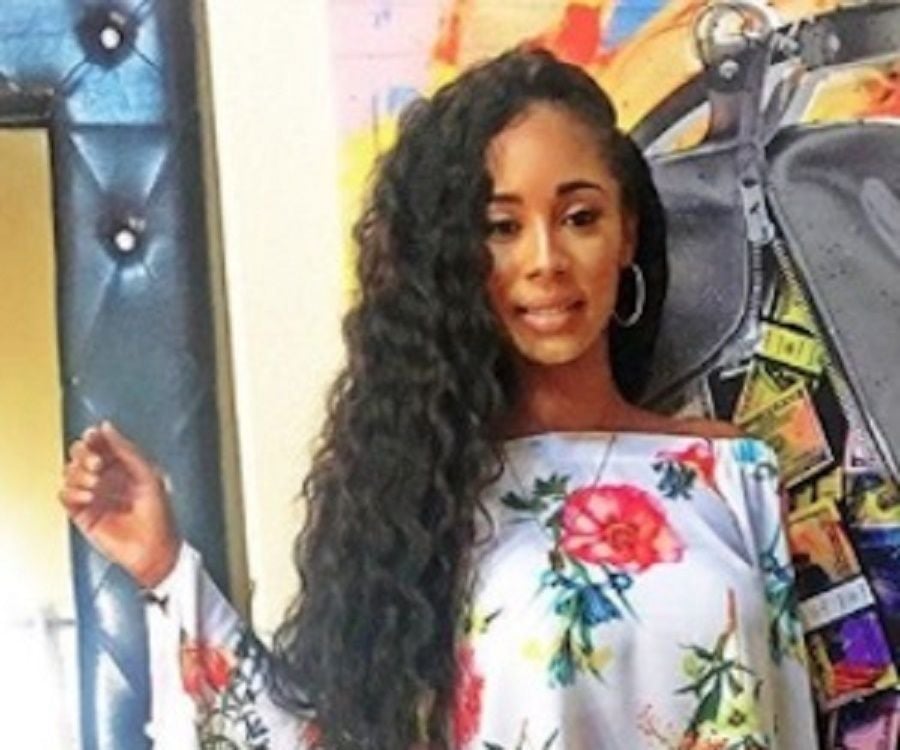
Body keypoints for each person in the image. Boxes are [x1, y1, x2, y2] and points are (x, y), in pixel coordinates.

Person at [59, 49, 819, 749]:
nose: (546, 259)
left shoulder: (732, 473)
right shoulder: (415, 501)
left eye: (580, 218)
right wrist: (164, 566)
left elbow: (792, 715)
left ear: (626, 234)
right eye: (502, 227)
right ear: (456, 257)